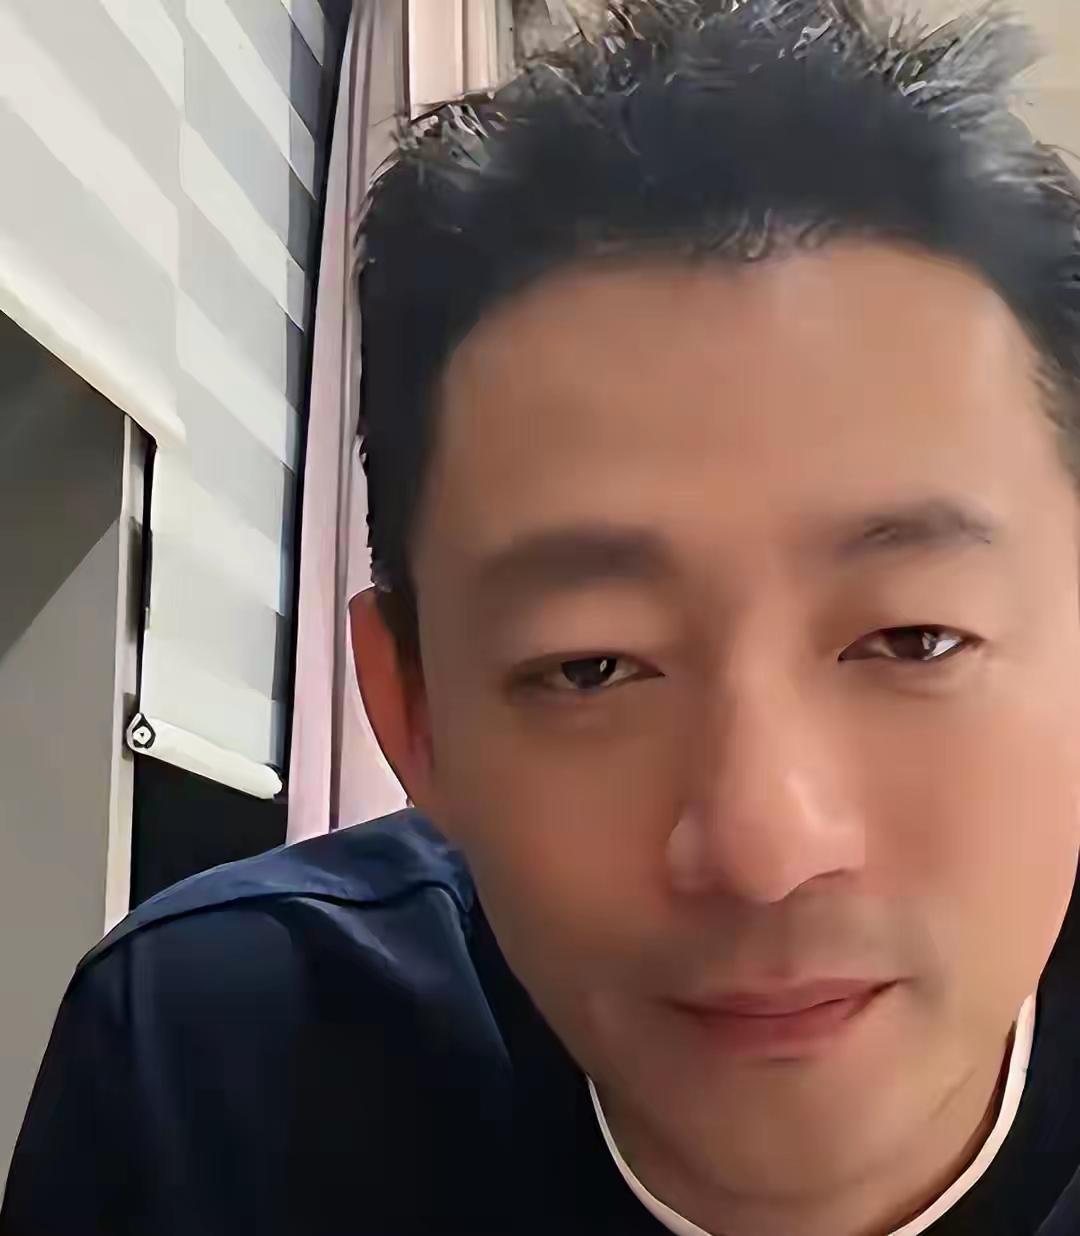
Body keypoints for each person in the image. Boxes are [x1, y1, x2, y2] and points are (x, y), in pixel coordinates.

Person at [6, 1, 1080, 1233]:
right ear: (412, 715)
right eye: (593, 666)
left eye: (912, 640)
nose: (766, 848)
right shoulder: (212, 1075)